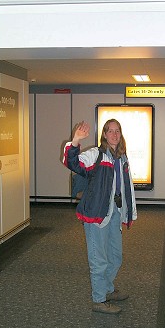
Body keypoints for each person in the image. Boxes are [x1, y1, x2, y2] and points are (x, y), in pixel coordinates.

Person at [63, 119, 137, 314]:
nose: (114, 134)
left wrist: (128, 212)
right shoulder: (96, 154)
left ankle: (107, 289)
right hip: (96, 213)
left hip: (114, 212)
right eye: (110, 131)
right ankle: (99, 299)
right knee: (99, 259)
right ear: (104, 134)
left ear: (120, 134)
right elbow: (73, 163)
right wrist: (76, 141)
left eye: (117, 131)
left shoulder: (122, 157)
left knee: (116, 256)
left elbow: (125, 187)